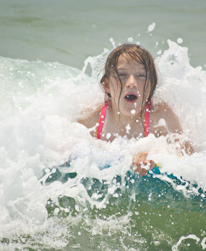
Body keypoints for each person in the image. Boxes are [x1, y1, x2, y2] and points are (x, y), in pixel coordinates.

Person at [77, 44, 193, 176]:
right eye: (122, 75)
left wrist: (157, 156)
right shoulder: (93, 118)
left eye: (140, 75)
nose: (132, 82)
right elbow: (68, 144)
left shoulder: (160, 117)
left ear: (150, 86)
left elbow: (186, 155)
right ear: (107, 85)